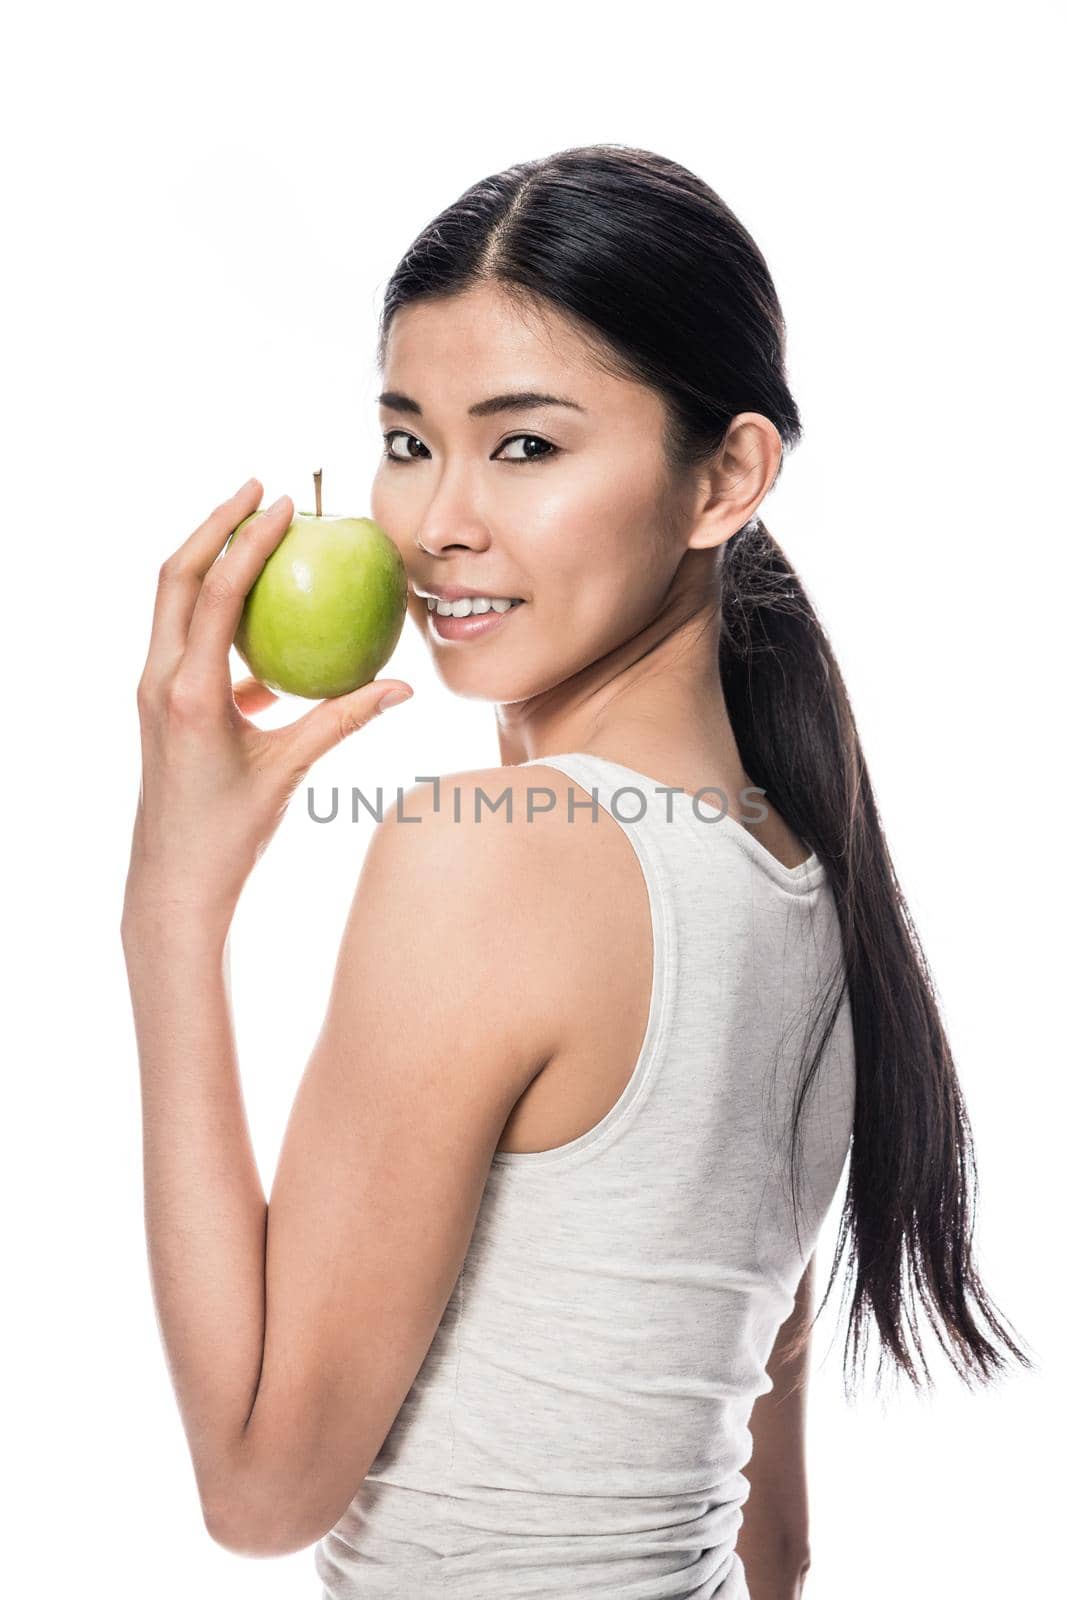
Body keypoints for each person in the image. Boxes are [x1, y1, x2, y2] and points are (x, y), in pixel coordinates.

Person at [121, 144, 1033, 1598]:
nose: (435, 526)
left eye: (526, 445)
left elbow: (259, 1484)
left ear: (723, 477)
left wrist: (171, 908)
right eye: (410, 441)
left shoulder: (495, 861)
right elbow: (778, 1552)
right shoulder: (800, 859)